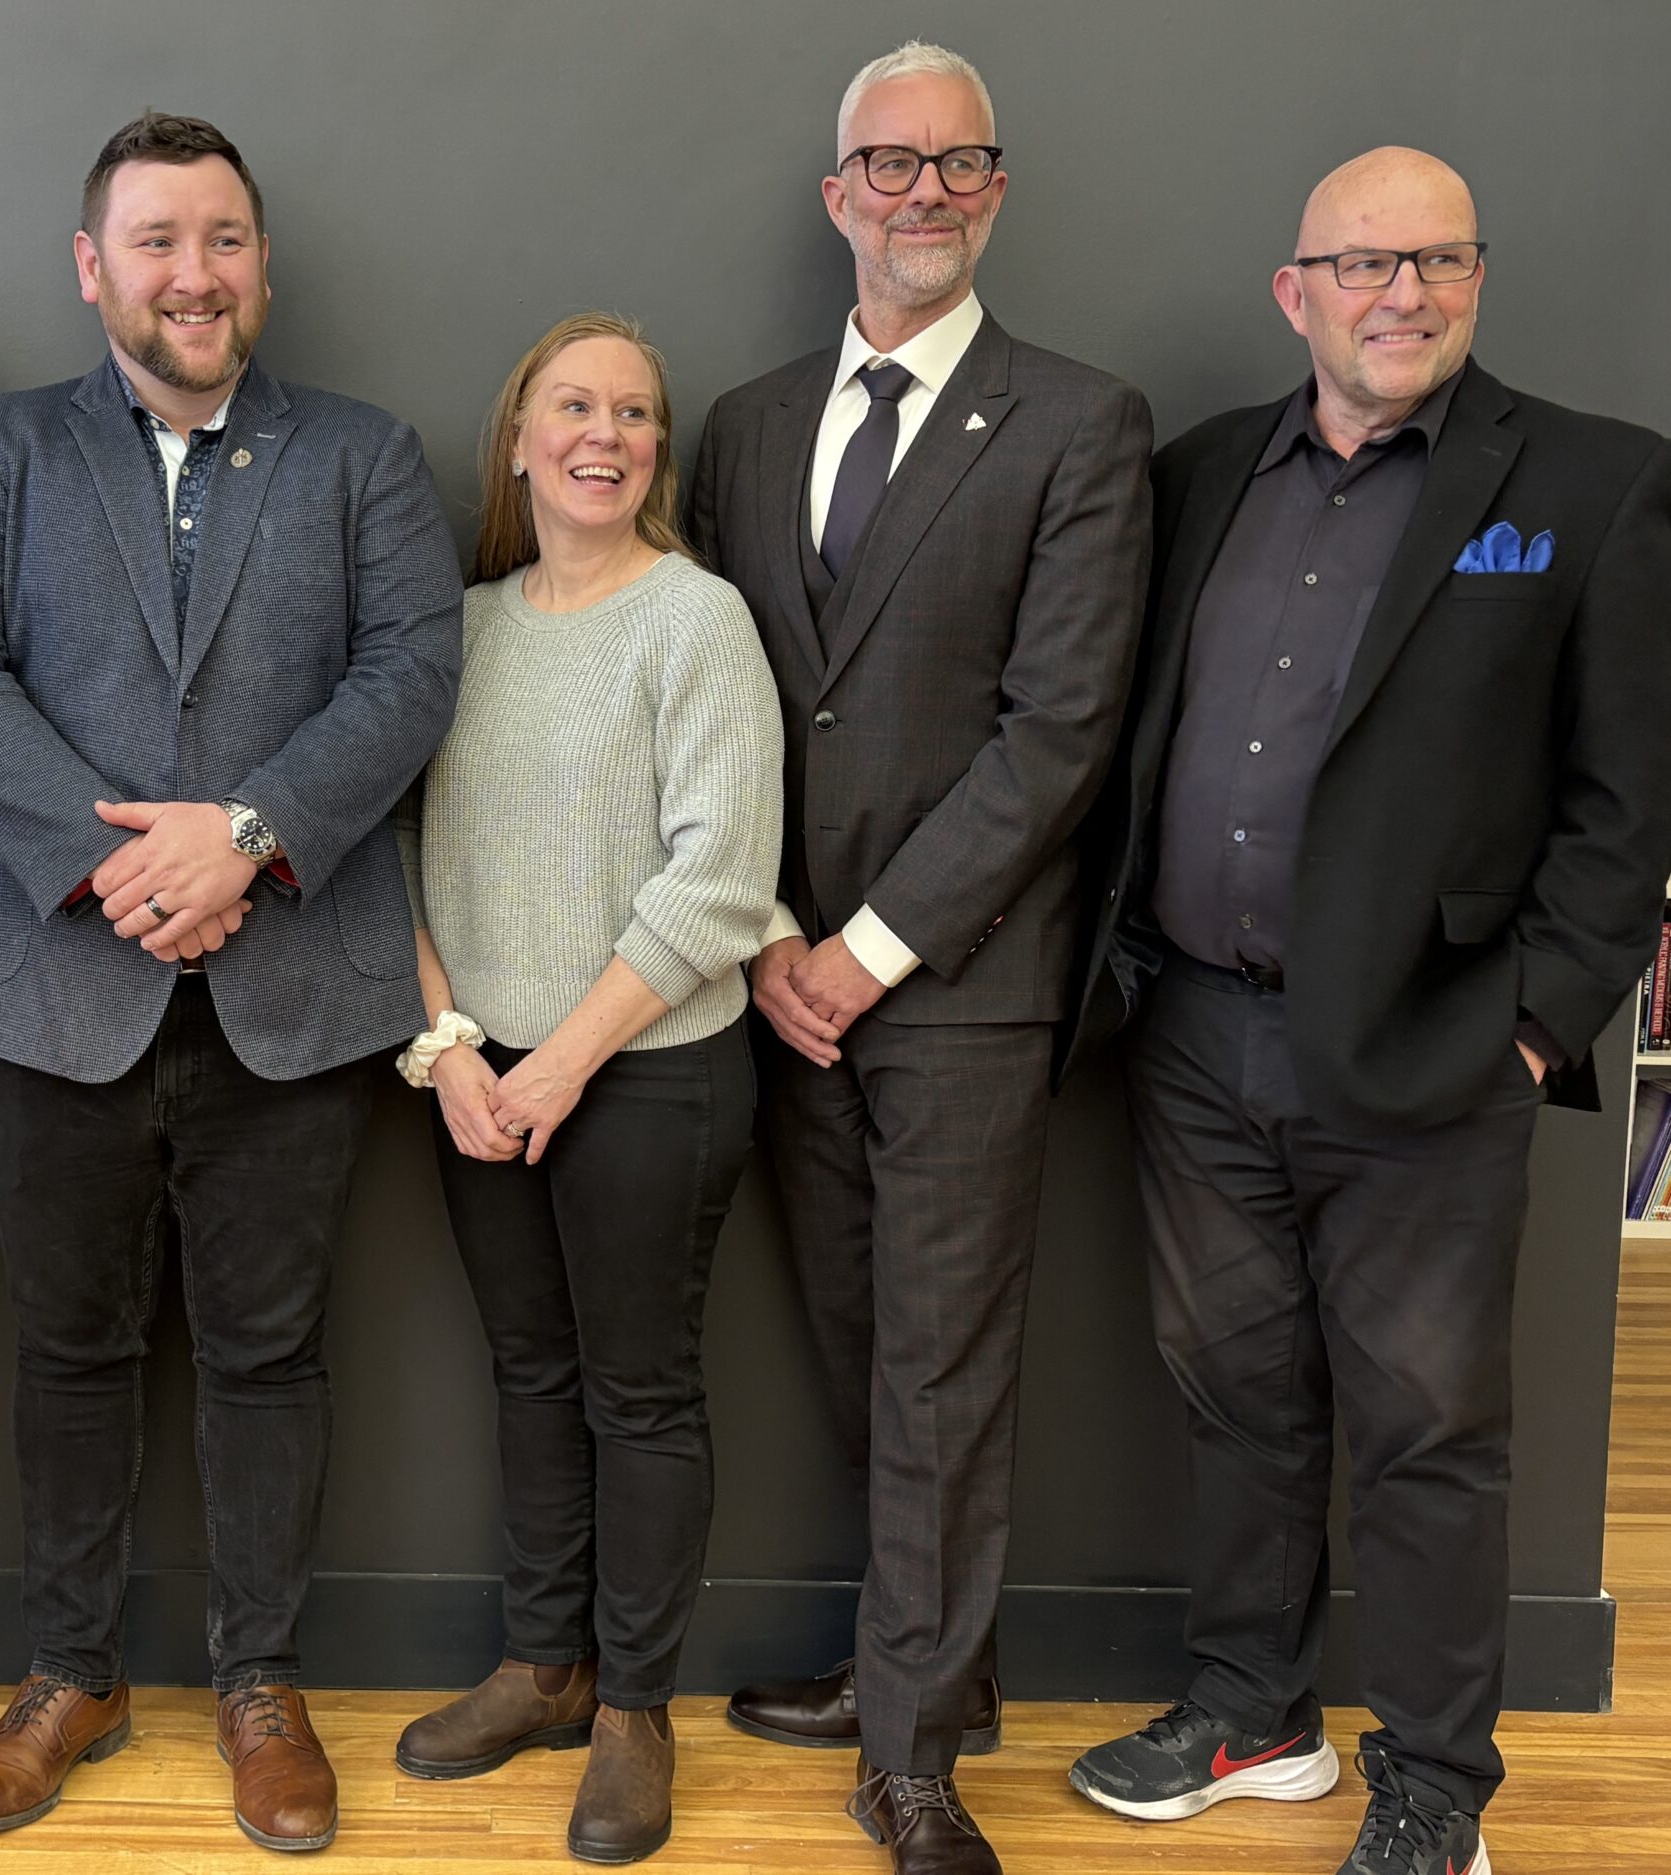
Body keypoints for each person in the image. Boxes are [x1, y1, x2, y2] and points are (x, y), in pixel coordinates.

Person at [1064, 147, 1671, 1875]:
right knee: (1234, 1392)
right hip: (1192, 1038)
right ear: (1297, 290)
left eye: (1441, 260)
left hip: (1433, 1051)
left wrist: (1539, 1025)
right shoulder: (1197, 476)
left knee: (1427, 1433)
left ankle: (1433, 1788)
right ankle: (1254, 1715)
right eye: (1366, 264)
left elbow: (1631, 803)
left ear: (1476, 279)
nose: (1405, 294)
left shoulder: (1592, 482)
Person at [0, 111, 463, 1851]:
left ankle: (258, 1683)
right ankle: (72, 1672)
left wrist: (251, 837)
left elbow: (410, 670)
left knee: (267, 1354)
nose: (190, 273)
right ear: (93, 267)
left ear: (261, 266)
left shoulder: (365, 456)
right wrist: (131, 862)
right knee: (66, 1352)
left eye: (221, 240)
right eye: (155, 240)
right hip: (57, 982)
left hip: (294, 994)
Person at [684, 41, 1153, 1875]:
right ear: (838, 197)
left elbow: (1061, 732)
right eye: (892, 165)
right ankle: (919, 1672)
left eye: (961, 165)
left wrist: (864, 951)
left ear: (999, 192)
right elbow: (726, 706)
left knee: (947, 1370)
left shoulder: (1077, 420)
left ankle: (911, 1756)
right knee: (861, 1347)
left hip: (955, 984)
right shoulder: (741, 422)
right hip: (775, 984)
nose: (926, 194)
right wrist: (778, 938)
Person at [387, 312, 781, 1864]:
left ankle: (632, 1708)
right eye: (574, 404)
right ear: (520, 437)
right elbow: (397, 854)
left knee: (640, 1394)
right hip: (478, 1084)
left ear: (655, 454)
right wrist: (449, 1054)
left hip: (651, 1082)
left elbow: (721, 883)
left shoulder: (698, 622)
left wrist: (555, 1060)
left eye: (635, 411)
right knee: (531, 1382)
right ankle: (541, 1668)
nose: (603, 432)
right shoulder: (463, 630)